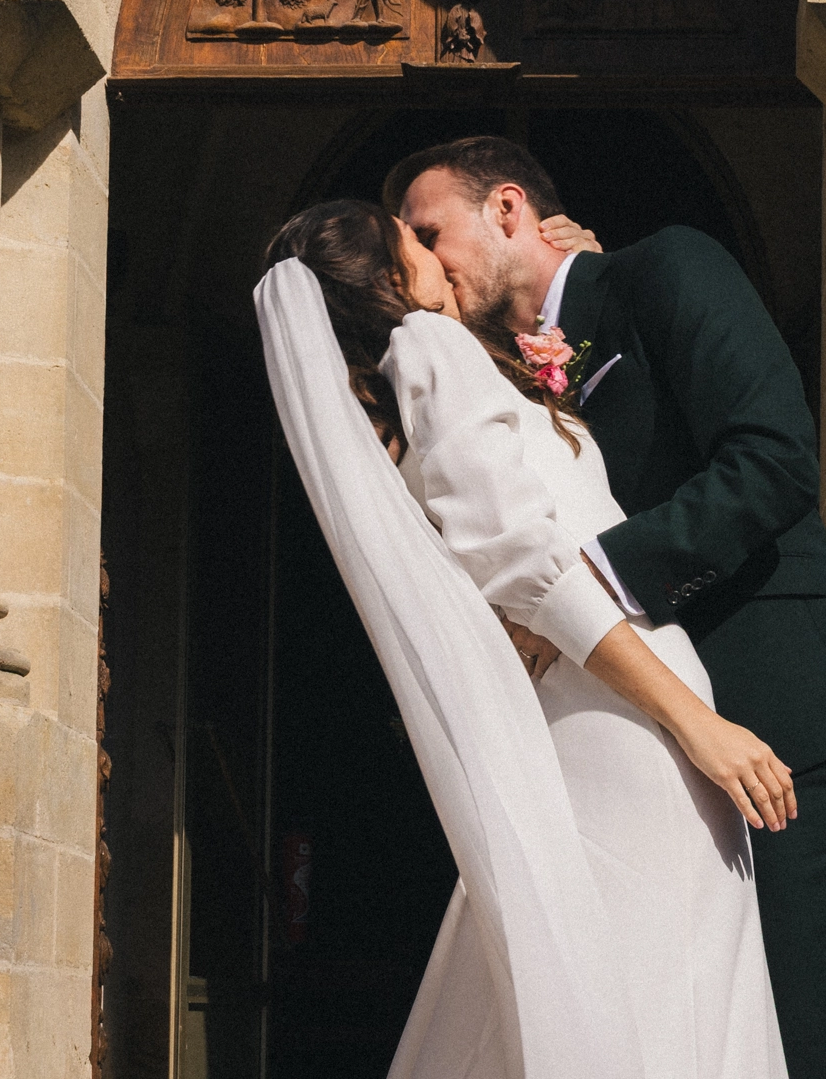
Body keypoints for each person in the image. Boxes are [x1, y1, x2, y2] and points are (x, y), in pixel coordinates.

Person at [383, 137, 826, 1079]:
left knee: (806, 1036)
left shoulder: (666, 267)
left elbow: (773, 459)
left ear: (508, 209)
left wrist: (586, 585)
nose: (422, 258)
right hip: (640, 757)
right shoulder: (484, 372)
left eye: (432, 230)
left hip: (780, 708)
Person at [259, 198, 789, 1079]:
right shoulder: (428, 350)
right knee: (666, 1001)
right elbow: (527, 564)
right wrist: (698, 722)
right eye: (417, 239)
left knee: (635, 993)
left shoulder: (429, 371)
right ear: (394, 277)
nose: (438, 252)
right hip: (627, 721)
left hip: (609, 710)